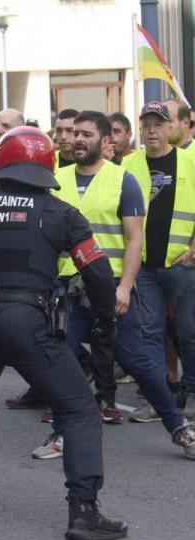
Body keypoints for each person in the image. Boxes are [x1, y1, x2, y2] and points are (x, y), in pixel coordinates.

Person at [0, 125, 128, 540]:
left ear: (0, 165)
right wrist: (106, 318)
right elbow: (98, 272)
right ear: (47, 167)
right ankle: (84, 512)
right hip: (27, 321)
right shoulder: (59, 211)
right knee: (79, 410)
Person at [31, 111, 195, 460]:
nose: (78, 139)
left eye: (86, 134)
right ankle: (60, 434)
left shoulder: (123, 181)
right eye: (75, 133)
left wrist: (125, 287)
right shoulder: (55, 179)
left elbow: (134, 240)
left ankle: (179, 428)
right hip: (68, 289)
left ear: (105, 142)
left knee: (137, 361)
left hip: (112, 286)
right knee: (59, 359)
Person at [122, 101, 195, 424]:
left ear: (170, 128)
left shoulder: (190, 162)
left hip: (182, 263)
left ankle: (192, 392)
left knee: (188, 330)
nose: (152, 130)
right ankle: (159, 398)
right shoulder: (128, 164)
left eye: (158, 124)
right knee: (150, 332)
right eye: (146, 124)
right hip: (145, 267)